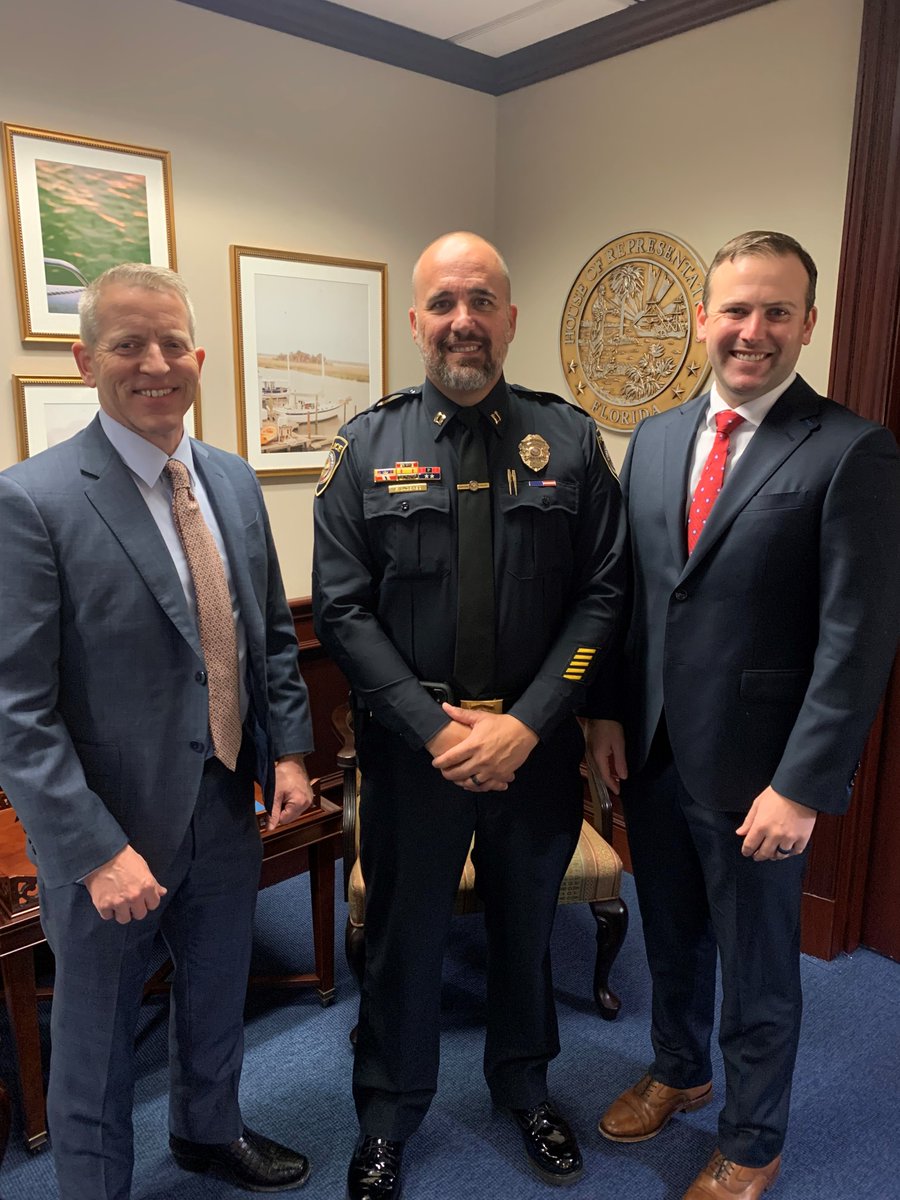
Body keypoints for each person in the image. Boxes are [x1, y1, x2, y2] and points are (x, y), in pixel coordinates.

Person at [587, 231, 900, 1199]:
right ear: (701, 320)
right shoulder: (658, 438)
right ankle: (681, 1073)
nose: (751, 331)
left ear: (810, 322)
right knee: (668, 932)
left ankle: (754, 1138)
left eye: (775, 312)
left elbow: (857, 639)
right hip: (654, 749)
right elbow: (634, 595)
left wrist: (803, 785)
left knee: (760, 966)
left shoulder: (852, 452)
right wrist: (604, 717)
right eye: (735, 310)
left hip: (763, 774)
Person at [313, 231, 625, 1198]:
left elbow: (604, 594)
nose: (464, 320)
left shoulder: (567, 440)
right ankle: (387, 1115)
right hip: (417, 755)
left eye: (482, 301)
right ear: (416, 321)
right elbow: (341, 609)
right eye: (444, 302)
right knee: (405, 938)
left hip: (532, 749)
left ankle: (525, 1089)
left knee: (527, 927)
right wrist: (435, 727)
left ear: (510, 318)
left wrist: (531, 721)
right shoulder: (368, 445)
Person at [0, 264, 315, 1200]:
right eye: (130, 344)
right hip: (110, 833)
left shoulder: (229, 480)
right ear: (85, 357)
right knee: (94, 1039)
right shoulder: (33, 501)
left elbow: (266, 637)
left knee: (217, 992)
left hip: (223, 800)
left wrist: (289, 752)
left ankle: (208, 1133)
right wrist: (95, 851)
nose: (155, 363)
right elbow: (18, 709)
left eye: (172, 343)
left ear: (199, 357)